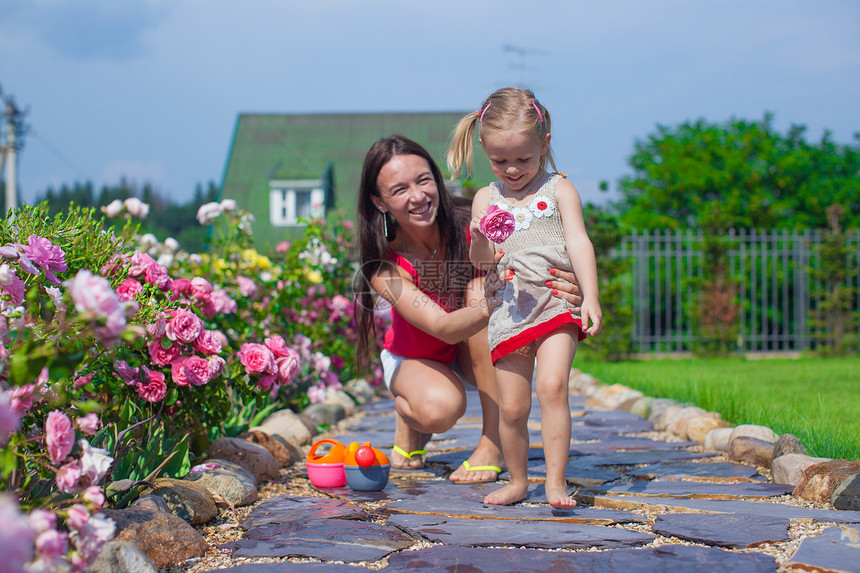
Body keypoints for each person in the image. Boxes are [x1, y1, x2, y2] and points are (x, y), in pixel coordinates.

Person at [353, 134, 582, 485]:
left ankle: (493, 444)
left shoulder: (473, 224)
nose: (417, 196)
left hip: (468, 352)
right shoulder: (383, 266)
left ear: (436, 178)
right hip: (414, 355)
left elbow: (539, 253)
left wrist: (570, 284)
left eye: (423, 180)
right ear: (380, 202)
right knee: (440, 409)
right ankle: (408, 413)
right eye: (399, 190)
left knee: (480, 294)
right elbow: (442, 326)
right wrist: (487, 306)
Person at [447, 87, 603, 508]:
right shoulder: (487, 198)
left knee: (552, 388)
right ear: (483, 148)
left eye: (524, 159)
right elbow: (483, 262)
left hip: (554, 303)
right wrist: (478, 239)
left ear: (545, 144)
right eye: (500, 160)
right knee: (512, 408)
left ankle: (555, 482)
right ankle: (518, 480)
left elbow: (579, 242)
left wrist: (590, 296)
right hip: (510, 310)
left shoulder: (559, 190)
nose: (513, 169)